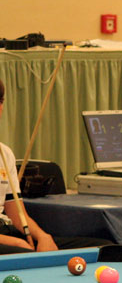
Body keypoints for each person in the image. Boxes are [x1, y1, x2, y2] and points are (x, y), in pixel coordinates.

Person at [0, 79, 113, 255]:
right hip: (6, 242)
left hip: (7, 231)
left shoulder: (4, 153)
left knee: (106, 248)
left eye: (0, 101)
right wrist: (15, 243)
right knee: (22, 253)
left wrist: (43, 237)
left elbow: (17, 215)